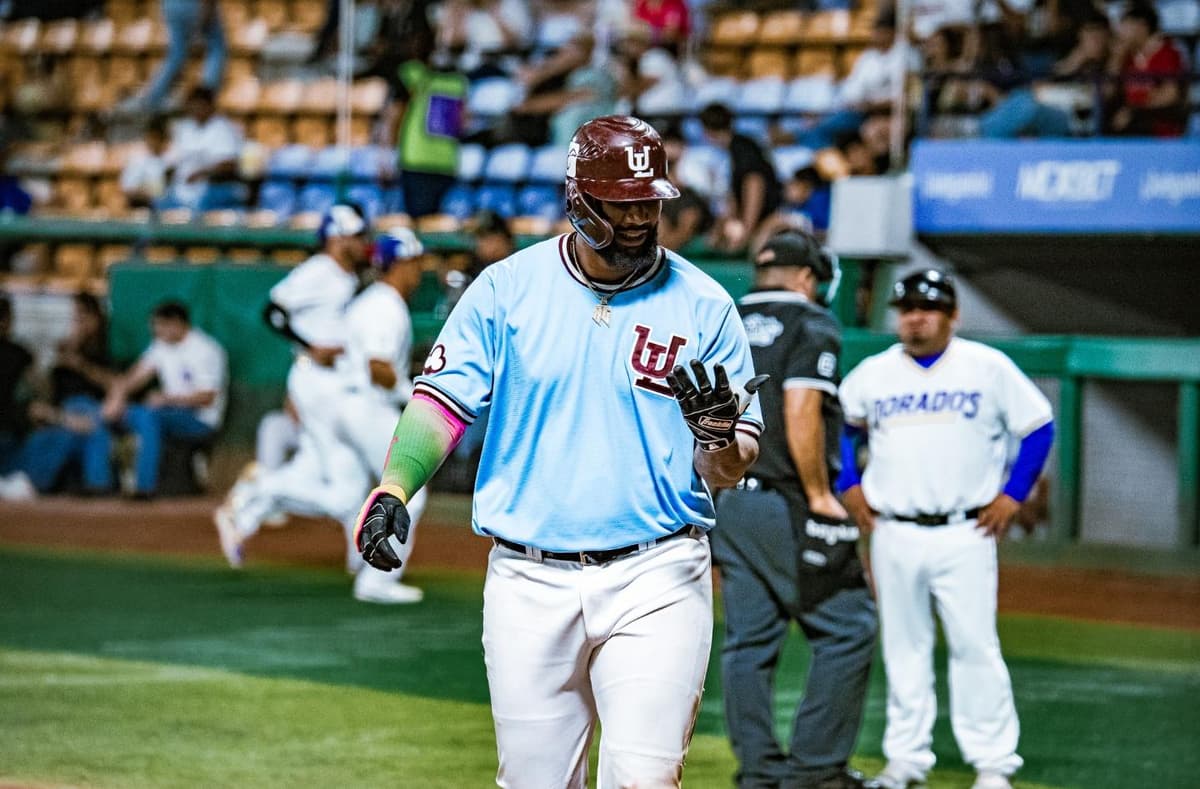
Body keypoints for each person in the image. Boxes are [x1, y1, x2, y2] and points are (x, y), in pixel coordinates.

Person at [352, 115, 766, 787]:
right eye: (622, 202)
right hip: (526, 577)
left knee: (643, 779)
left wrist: (717, 435)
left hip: (656, 572)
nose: (639, 217)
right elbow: (441, 401)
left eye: (649, 202)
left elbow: (726, 466)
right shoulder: (506, 289)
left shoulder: (705, 305)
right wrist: (395, 485)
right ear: (579, 200)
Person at [837, 270, 1055, 789]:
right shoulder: (874, 373)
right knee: (903, 649)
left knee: (975, 647)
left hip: (966, 533)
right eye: (907, 307)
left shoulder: (987, 366)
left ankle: (993, 765)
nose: (915, 316)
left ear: (952, 315)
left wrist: (1013, 495)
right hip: (894, 530)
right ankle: (906, 760)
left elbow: (1039, 426)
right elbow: (841, 428)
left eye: (928, 308)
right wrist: (849, 482)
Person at [712, 230, 879, 789]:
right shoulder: (811, 322)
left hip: (728, 501)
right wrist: (818, 495)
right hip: (787, 500)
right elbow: (802, 407)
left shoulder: (724, 316)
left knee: (749, 640)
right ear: (808, 277)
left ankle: (759, 769)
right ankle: (815, 770)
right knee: (849, 626)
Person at [214, 203, 370, 568]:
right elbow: (272, 310)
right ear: (336, 237)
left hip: (336, 378)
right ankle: (251, 496)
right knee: (344, 472)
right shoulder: (319, 270)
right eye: (356, 236)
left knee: (319, 466)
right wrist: (308, 344)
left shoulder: (348, 277)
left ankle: (247, 509)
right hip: (317, 379)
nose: (362, 242)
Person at [337, 228, 431, 603]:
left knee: (356, 491)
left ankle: (358, 560)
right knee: (408, 489)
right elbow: (379, 368)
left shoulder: (373, 299)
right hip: (367, 405)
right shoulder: (385, 305)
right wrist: (416, 397)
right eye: (415, 263)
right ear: (401, 264)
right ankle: (376, 581)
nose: (419, 271)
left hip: (350, 404)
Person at [100, 300, 228, 499]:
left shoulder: (206, 349)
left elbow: (207, 398)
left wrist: (167, 399)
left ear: (176, 323)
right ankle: (104, 483)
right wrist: (117, 396)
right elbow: (135, 376)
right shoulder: (161, 345)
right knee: (109, 414)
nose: (156, 330)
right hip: (166, 413)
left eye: (160, 325)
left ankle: (144, 487)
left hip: (200, 420)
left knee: (149, 417)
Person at [11, 292, 117, 495]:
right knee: (56, 432)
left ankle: (98, 488)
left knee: (90, 427)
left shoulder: (104, 348)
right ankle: (31, 482)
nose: (78, 324)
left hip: (92, 406)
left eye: (82, 317)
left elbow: (114, 383)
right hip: (64, 408)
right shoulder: (63, 349)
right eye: (75, 318)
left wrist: (80, 364)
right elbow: (46, 391)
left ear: (95, 318)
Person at [382, 58, 468, 217]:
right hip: (446, 163)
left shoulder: (413, 75)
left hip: (417, 162)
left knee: (421, 223)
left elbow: (394, 115)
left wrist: (386, 153)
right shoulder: (459, 83)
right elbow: (464, 122)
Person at [699, 102, 782, 255]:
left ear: (706, 131)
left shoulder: (743, 149)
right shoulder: (736, 148)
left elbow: (754, 185)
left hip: (770, 217)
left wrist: (747, 229)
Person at [128, 0, 227, 113]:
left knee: (176, 54)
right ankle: (204, 98)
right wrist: (207, 8)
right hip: (194, 4)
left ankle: (152, 99)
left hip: (170, 4)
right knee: (216, 48)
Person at [158, 87, 246, 212]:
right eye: (193, 105)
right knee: (160, 204)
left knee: (200, 206)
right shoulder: (185, 128)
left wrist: (202, 174)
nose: (196, 109)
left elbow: (229, 165)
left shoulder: (223, 128)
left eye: (200, 105)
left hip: (215, 188)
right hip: (183, 187)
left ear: (210, 106)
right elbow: (172, 161)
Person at [1106, 2, 1187, 137]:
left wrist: (1136, 111)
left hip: (1158, 127)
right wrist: (1116, 59)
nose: (1120, 31)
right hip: (1129, 126)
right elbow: (1107, 93)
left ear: (1142, 26)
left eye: (1125, 25)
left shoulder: (1168, 53)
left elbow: (1170, 95)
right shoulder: (1126, 56)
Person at [119, 116, 171, 210]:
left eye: (158, 138)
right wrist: (148, 195)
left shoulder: (172, 158)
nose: (155, 142)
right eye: (152, 138)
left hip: (168, 205)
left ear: (164, 139)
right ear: (147, 138)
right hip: (143, 205)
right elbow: (128, 189)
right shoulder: (137, 160)